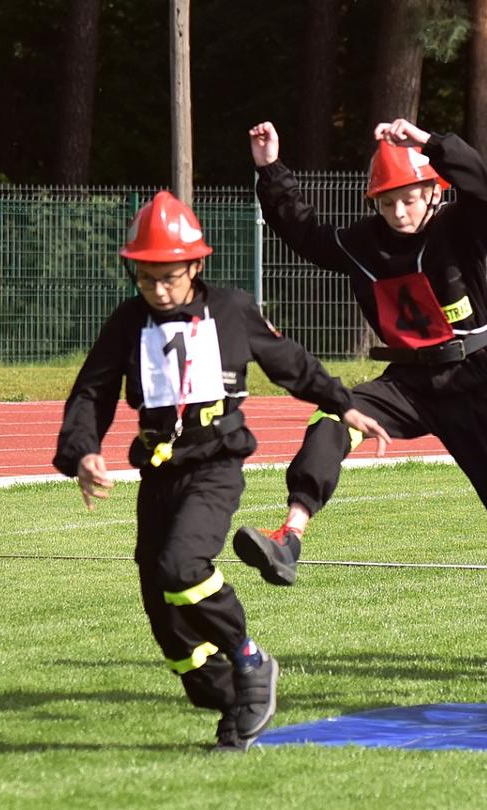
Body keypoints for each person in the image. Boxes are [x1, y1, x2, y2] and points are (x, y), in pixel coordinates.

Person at [53, 191, 385, 751]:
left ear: (196, 266)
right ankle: (233, 700)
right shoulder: (128, 322)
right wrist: (83, 451)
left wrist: (343, 402)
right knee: (165, 613)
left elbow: (291, 364)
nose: (159, 289)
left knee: (182, 565)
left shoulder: (231, 311)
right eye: (146, 277)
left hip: (215, 465)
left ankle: (251, 658)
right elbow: (92, 391)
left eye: (171, 277)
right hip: (159, 470)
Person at [234, 118, 487, 641]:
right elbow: (301, 230)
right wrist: (270, 168)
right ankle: (290, 534)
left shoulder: (458, 230)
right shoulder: (362, 244)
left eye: (409, 200)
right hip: (407, 384)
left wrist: (431, 145)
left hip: (470, 383)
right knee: (333, 413)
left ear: (433, 194)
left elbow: (485, 188)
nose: (398, 212)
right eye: (387, 202)